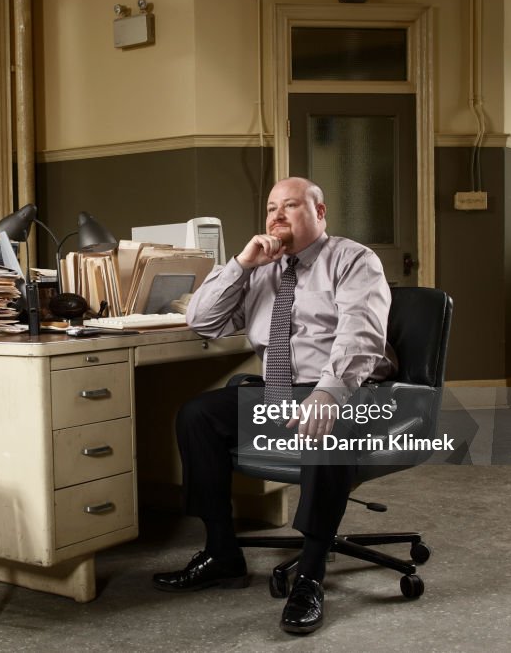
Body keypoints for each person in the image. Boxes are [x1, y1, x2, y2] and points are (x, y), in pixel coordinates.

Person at [152, 177, 397, 635]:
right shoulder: (263, 268)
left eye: (291, 206)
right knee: (198, 415)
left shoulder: (353, 260)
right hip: (279, 391)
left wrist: (328, 394)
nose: (277, 216)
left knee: (334, 426)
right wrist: (242, 264)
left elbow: (360, 335)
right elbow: (202, 322)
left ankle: (311, 573)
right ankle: (222, 553)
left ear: (320, 213)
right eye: (271, 208)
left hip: (344, 387)